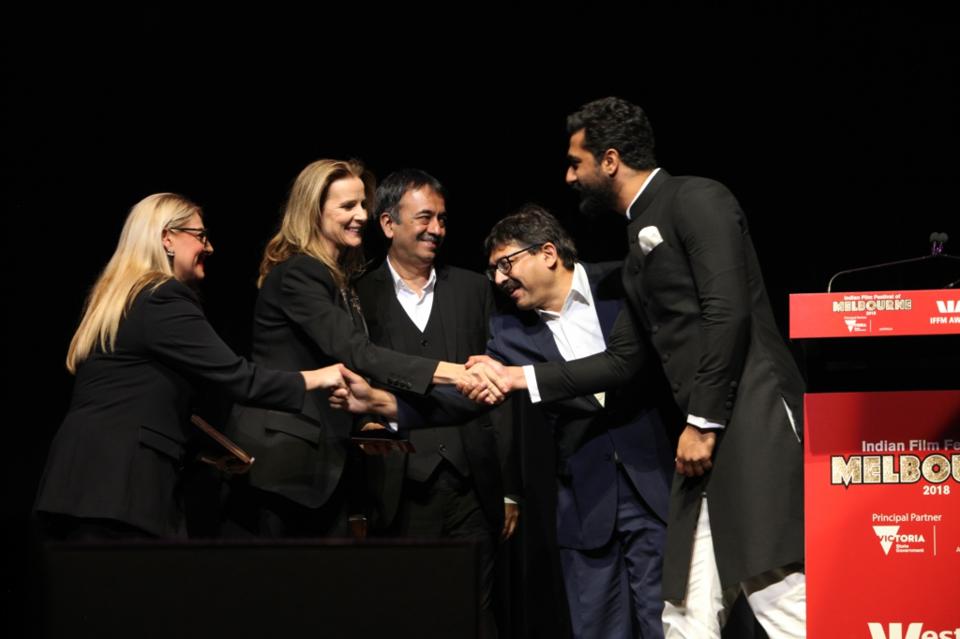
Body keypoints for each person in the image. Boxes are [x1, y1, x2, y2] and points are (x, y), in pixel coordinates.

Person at [468, 97, 807, 638]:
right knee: (685, 615)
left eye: (575, 163)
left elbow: (728, 312)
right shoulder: (636, 241)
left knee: (777, 594)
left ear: (609, 160)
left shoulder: (697, 197)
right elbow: (622, 360)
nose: (569, 176)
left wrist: (702, 421)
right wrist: (516, 377)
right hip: (702, 447)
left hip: (750, 419)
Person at [34, 193, 345, 541]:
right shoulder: (163, 297)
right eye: (200, 235)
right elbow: (239, 378)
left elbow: (139, 400)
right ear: (167, 238)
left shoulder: (118, 300)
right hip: (121, 488)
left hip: (75, 483)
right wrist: (318, 378)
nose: (209, 247)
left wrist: (207, 452)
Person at [224, 159, 505, 539]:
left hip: (317, 470)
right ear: (313, 211)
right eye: (347, 206)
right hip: (283, 467)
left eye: (362, 205)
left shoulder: (336, 278)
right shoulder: (301, 272)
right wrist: (456, 372)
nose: (361, 215)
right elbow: (359, 352)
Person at [355, 169, 520, 639]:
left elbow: (500, 390)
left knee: (476, 612)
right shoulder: (359, 294)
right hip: (397, 489)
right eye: (424, 217)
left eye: (442, 219)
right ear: (388, 223)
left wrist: (510, 489)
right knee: (410, 612)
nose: (436, 229)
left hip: (473, 485)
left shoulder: (473, 290)